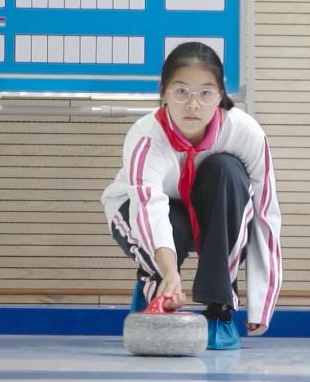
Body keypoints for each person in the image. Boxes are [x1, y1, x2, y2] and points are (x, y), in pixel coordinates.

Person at [101, 42, 282, 350]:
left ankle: (219, 307)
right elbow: (149, 209)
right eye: (181, 91)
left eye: (206, 93)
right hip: (138, 211)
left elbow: (265, 213)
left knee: (227, 170)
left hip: (212, 210)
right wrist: (169, 272)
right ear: (163, 91)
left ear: (221, 94)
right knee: (174, 227)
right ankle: (155, 287)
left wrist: (262, 302)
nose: (193, 104)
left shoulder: (245, 133)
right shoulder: (146, 135)